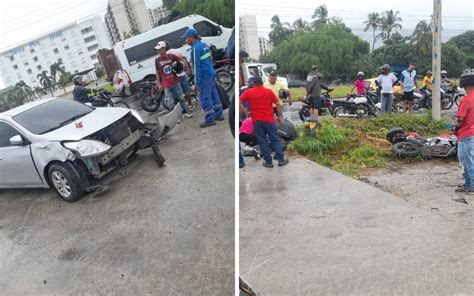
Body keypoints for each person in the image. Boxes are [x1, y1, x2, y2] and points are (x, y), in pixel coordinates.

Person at [239, 76, 289, 168]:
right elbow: (278, 104)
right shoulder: (268, 92)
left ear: (253, 83)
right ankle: (281, 160)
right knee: (275, 139)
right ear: (262, 83)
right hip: (269, 120)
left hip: (257, 120)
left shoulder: (248, 92)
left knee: (263, 141)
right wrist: (279, 117)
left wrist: (245, 112)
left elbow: (240, 100)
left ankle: (268, 162)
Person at [183, 28, 224, 128]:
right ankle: (219, 114)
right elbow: (210, 59)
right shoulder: (204, 45)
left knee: (205, 97)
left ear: (191, 37)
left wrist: (197, 82)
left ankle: (210, 119)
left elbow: (196, 67)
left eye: (186, 38)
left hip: (204, 76)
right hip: (210, 73)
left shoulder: (195, 49)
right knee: (214, 94)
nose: (185, 41)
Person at [154, 41, 192, 119]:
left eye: (159, 49)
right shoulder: (157, 60)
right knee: (170, 101)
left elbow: (182, 60)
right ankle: (175, 118)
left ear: (164, 49)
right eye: (157, 50)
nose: (158, 51)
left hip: (175, 81)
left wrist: (184, 69)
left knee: (181, 98)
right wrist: (159, 84)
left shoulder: (171, 56)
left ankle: (184, 113)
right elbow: (157, 73)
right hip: (166, 84)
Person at [452, 69, 474, 194]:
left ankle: (470, 186)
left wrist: (454, 128)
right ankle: (470, 184)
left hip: (466, 135)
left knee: (466, 161)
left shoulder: (466, 99)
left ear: (464, 84)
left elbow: (460, 119)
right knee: (472, 160)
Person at [165, 41, 194, 111]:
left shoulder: (166, 55)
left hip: (174, 77)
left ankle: (182, 109)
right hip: (182, 74)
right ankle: (190, 105)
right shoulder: (177, 51)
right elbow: (184, 60)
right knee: (186, 90)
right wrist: (188, 69)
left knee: (177, 93)